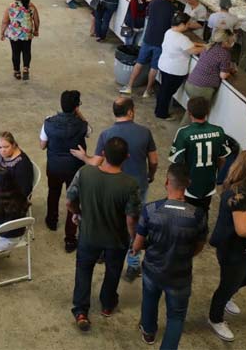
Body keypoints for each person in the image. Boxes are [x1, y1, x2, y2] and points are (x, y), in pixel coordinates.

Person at [70, 96, 158, 278]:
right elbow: (154, 160)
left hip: (111, 186)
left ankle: (102, 251)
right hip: (137, 186)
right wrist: (151, 175)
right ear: (131, 111)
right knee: (134, 223)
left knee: (108, 217)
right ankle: (133, 263)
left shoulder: (107, 134)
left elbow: (95, 162)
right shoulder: (145, 132)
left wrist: (83, 157)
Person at [67, 137, 141, 331]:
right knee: (113, 270)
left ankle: (81, 311)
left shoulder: (84, 173)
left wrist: (77, 213)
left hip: (88, 236)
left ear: (103, 155)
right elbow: (131, 218)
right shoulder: (130, 184)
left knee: (83, 270)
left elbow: (69, 201)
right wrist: (134, 239)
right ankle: (107, 305)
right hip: (116, 240)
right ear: (127, 157)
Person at [133, 163, 207, 347]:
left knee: (149, 300)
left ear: (167, 182)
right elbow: (199, 246)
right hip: (180, 275)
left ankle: (149, 332)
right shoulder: (198, 215)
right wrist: (184, 255)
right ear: (188, 184)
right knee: (176, 316)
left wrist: (141, 249)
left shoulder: (150, 210)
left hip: (152, 269)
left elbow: (138, 243)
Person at [207, 151, 246, 342]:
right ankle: (215, 318)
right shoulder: (239, 195)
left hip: (245, 248)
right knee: (228, 284)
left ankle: (227, 298)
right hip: (232, 248)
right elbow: (242, 230)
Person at [40, 90, 88, 250]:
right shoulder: (82, 125)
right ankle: (70, 238)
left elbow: (42, 145)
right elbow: (89, 132)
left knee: (53, 192)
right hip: (74, 168)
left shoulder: (48, 122)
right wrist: (79, 115)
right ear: (76, 107)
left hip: (54, 166)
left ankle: (51, 220)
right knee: (73, 200)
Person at [169, 96, 232, 218]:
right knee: (203, 211)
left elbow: (176, 161)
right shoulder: (218, 131)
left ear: (189, 112)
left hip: (189, 184)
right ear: (208, 112)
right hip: (208, 182)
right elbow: (222, 158)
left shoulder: (184, 133)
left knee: (185, 214)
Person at [119, 0, 177, 97]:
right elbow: (173, 25)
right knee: (154, 67)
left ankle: (129, 86)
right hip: (161, 42)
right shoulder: (172, 8)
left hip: (148, 38)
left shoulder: (153, 3)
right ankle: (147, 90)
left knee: (139, 62)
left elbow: (148, 16)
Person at [155, 13, 205, 119]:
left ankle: (159, 110)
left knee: (164, 90)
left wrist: (201, 45)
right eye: (188, 24)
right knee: (167, 92)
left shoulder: (169, 32)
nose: (189, 26)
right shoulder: (182, 38)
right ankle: (162, 113)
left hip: (164, 66)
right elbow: (193, 50)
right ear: (182, 24)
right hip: (174, 70)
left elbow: (189, 44)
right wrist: (207, 48)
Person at [184, 29, 236, 105]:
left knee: (193, 110)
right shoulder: (225, 54)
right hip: (203, 89)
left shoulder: (208, 46)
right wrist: (229, 71)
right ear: (225, 42)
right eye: (231, 40)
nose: (232, 43)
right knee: (198, 114)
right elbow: (223, 75)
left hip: (190, 83)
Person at [0, 131, 34, 200]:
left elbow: (23, 192)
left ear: (13, 145)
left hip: (13, 199)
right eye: (0, 147)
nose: (3, 150)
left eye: (6, 147)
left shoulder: (22, 165)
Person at [0, 0, 39, 80]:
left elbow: (5, 21)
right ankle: (25, 68)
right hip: (27, 33)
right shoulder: (31, 5)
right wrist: (36, 30)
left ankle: (17, 72)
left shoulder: (11, 6)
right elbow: (36, 20)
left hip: (14, 34)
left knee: (15, 52)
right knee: (26, 51)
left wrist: (2, 33)